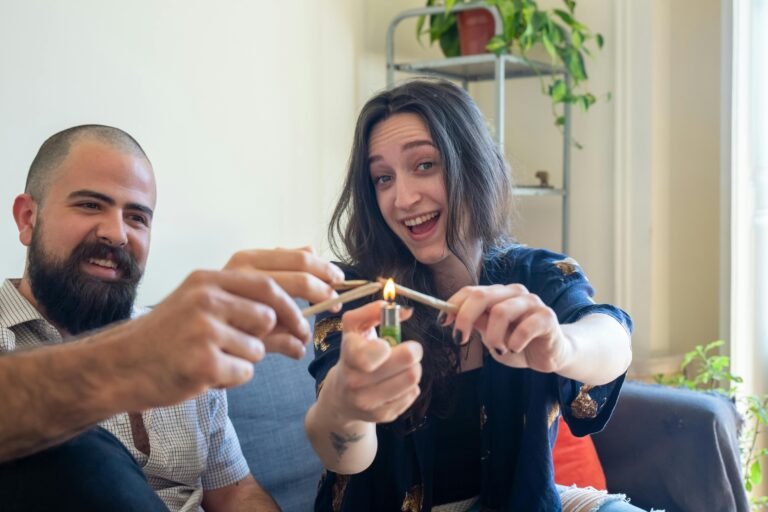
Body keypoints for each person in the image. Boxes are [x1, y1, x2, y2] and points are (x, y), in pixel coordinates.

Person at [304, 80, 644, 511]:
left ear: (473, 164)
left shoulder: (534, 274)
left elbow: (610, 337)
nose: (403, 198)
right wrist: (346, 402)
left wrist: (561, 346)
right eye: (382, 178)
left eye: (425, 164)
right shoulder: (358, 294)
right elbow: (342, 454)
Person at [0, 124, 345, 511]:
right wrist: (135, 356)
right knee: (75, 452)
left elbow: (235, 492)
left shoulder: (185, 340)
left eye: (137, 218)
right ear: (28, 218)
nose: (117, 234)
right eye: (90, 205)